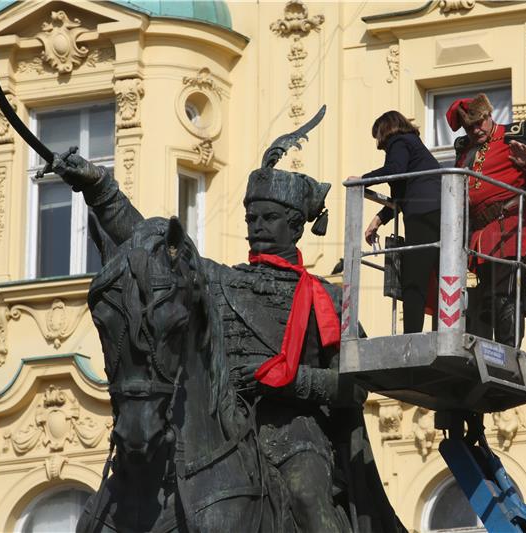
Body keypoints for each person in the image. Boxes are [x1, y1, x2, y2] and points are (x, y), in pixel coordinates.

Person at [40, 113, 403, 533]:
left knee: (310, 503)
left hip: (293, 435)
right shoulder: (221, 279)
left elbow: (355, 385)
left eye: (268, 219)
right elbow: (150, 241)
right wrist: (99, 188)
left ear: (296, 226)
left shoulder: (331, 297)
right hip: (215, 426)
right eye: (251, 219)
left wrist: (289, 381)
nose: (257, 228)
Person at [446, 93, 526, 346]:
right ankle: (486, 347)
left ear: (489, 115)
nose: (476, 129)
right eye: (469, 126)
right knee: (485, 299)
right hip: (480, 236)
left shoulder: (513, 134)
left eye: (480, 122)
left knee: (505, 294)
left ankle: (508, 349)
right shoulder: (465, 148)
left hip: (511, 231)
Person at [353, 111, 441, 333]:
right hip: (442, 212)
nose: (379, 144)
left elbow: (395, 170)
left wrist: (363, 180)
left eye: (378, 137)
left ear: (385, 130)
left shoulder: (398, 141)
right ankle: (445, 332)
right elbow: (401, 192)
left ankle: (410, 338)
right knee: (442, 275)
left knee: (414, 279)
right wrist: (379, 219)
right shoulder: (415, 146)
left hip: (423, 213)